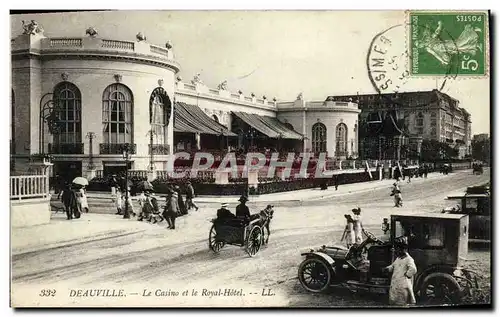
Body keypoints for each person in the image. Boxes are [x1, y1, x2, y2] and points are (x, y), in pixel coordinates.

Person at [383, 237, 417, 306]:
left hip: (403, 286)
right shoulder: (398, 258)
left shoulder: (408, 259)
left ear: (402, 249)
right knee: (394, 302)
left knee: (402, 303)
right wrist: (387, 268)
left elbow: (413, 269)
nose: (396, 251)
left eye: (397, 249)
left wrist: (407, 274)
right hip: (396, 285)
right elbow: (393, 266)